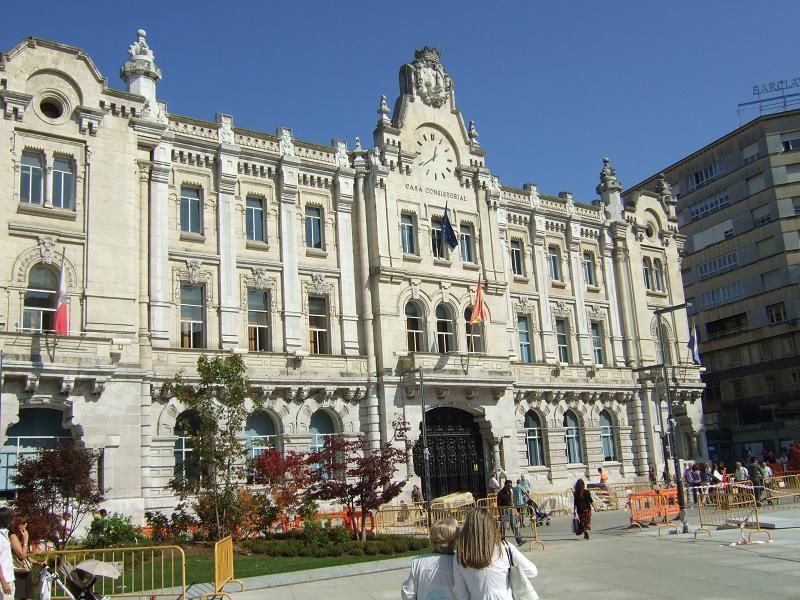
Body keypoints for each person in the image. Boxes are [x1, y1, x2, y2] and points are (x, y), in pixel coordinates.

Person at [453, 508, 537, 600]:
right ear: (491, 525)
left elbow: (460, 592)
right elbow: (532, 571)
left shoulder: (460, 555)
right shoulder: (504, 547)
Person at [401, 517, 458, 600]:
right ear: (455, 540)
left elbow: (408, 593)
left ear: (432, 540)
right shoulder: (459, 563)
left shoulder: (418, 562)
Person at [8, 517, 31, 600]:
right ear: (17, 525)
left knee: (28, 597)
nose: (26, 524)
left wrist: (37, 561)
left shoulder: (19, 536)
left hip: (24, 570)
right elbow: (21, 555)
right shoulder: (13, 536)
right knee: (25, 597)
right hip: (19, 571)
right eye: (24, 523)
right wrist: (26, 540)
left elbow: (26, 556)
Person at [496, 480, 524, 546]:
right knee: (503, 526)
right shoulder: (500, 493)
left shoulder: (509, 492)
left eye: (511, 485)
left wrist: (515, 511)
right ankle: (502, 541)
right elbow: (498, 504)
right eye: (509, 485)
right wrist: (500, 514)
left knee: (514, 525)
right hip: (503, 511)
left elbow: (511, 502)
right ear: (505, 485)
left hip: (510, 510)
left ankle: (519, 540)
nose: (510, 486)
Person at [0, 507, 15, 600]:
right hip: (4, 581)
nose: (13, 521)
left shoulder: (4, 534)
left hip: (9, 578)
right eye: (12, 518)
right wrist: (3, 582)